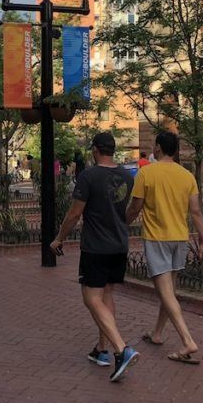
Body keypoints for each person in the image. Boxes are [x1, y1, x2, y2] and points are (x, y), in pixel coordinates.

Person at [50, 132, 139, 383]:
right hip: (119, 245)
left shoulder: (88, 176)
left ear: (95, 150)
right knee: (107, 294)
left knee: (91, 297)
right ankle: (102, 350)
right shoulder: (126, 175)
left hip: (96, 246)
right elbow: (126, 208)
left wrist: (59, 238)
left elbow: (74, 213)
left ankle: (122, 349)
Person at [125, 131, 203, 365]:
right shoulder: (187, 176)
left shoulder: (146, 173)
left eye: (154, 145)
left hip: (157, 239)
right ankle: (157, 333)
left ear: (159, 147)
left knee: (164, 292)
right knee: (169, 291)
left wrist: (121, 225)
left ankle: (187, 341)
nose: (153, 148)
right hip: (179, 238)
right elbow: (196, 212)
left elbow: (134, 208)